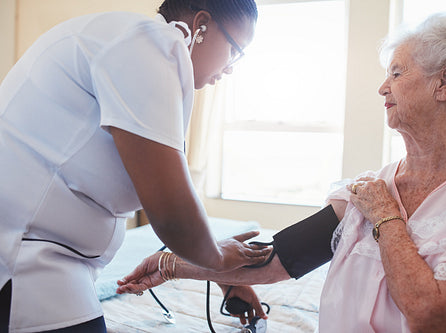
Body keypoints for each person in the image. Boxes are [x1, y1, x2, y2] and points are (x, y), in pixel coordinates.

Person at [117, 12, 446, 332]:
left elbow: (431, 314)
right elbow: (278, 258)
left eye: (397, 73)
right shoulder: (371, 186)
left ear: (445, 83)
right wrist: (172, 266)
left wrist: (386, 216)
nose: (383, 87)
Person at [0, 0, 273, 332]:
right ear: (201, 26)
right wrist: (217, 262)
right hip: (26, 256)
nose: (231, 66)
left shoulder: (140, 47)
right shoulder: (147, 46)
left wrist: (214, 266)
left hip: (52, 254)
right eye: (235, 50)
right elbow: (172, 213)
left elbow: (166, 188)